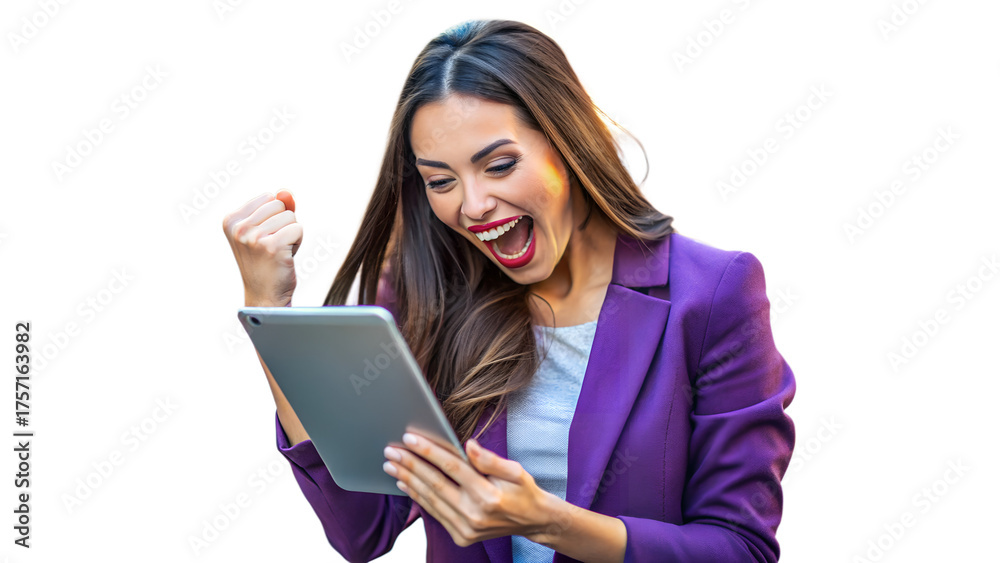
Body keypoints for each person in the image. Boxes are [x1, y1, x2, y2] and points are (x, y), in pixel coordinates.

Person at [222, 19, 795, 563]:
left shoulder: (715, 294)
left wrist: (545, 519)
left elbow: (738, 548)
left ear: (569, 141)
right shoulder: (428, 292)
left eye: (498, 165)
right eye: (441, 181)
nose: (471, 206)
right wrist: (268, 314)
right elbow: (361, 527)